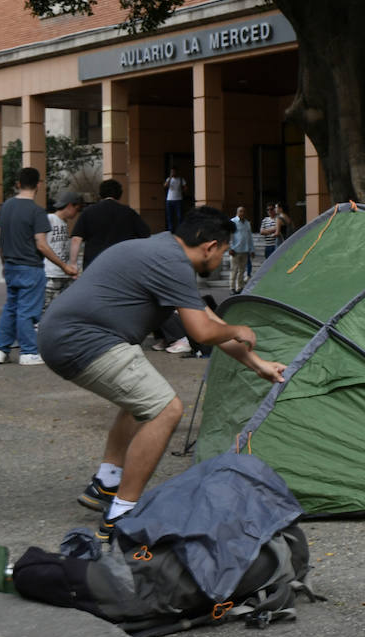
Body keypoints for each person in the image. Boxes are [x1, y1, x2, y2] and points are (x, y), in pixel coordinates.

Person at [38, 206, 287, 539]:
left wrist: (259, 365)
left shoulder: (162, 249)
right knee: (166, 410)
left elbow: (209, 321)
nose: (222, 258)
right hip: (82, 340)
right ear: (210, 246)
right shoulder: (173, 263)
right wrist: (238, 329)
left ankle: (106, 483)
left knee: (140, 401)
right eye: (224, 251)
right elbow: (203, 332)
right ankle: (122, 516)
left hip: (66, 335)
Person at [0, 167, 77, 365]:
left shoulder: (6, 207)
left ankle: (1, 350)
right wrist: (64, 266)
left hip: (11, 265)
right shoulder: (37, 211)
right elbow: (41, 244)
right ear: (39, 184)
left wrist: (4, 262)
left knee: (11, 309)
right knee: (27, 311)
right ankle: (28, 352)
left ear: (18, 184)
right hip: (31, 267)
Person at [69, 179, 151, 270]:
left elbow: (76, 239)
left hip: (94, 263)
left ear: (100, 194)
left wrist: (73, 263)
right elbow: (145, 235)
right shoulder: (129, 213)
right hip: (122, 262)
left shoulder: (88, 212)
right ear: (120, 194)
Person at [44, 191, 85, 310]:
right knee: (48, 307)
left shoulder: (64, 223)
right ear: (69, 205)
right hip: (51, 272)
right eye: (77, 209)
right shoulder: (50, 218)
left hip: (64, 272)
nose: (76, 213)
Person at [229, 205, 253, 293]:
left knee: (242, 271)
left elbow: (250, 237)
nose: (242, 213)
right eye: (240, 211)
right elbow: (229, 236)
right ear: (237, 212)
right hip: (235, 251)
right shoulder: (233, 222)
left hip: (245, 251)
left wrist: (252, 249)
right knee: (234, 270)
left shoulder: (247, 223)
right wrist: (230, 248)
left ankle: (239, 288)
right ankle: (232, 288)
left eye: (243, 211)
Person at [163, 166, 186, 232]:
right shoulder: (168, 179)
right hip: (169, 200)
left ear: (176, 172)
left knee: (179, 216)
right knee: (170, 216)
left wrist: (183, 191)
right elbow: (165, 186)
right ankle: (171, 230)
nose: (173, 173)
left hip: (178, 199)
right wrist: (170, 178)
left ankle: (180, 230)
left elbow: (185, 187)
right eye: (172, 172)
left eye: (174, 171)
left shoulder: (181, 179)